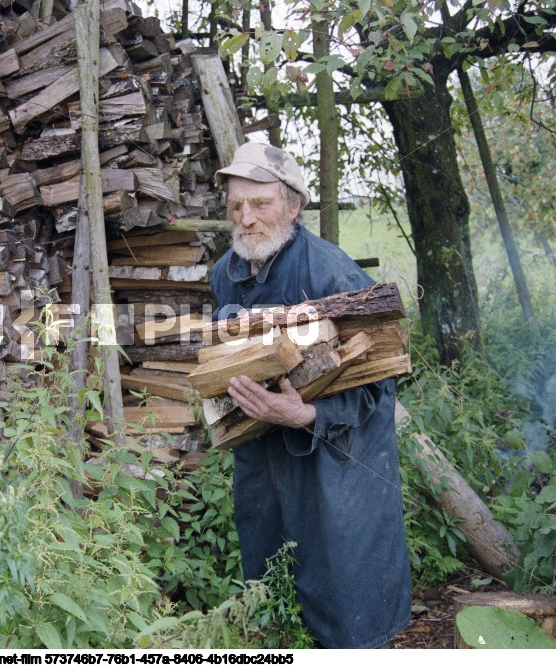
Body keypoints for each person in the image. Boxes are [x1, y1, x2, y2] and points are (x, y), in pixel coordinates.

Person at [210, 142, 411, 649]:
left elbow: (379, 383)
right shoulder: (225, 274)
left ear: (294, 205)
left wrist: (307, 412)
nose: (246, 218)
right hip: (263, 464)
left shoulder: (332, 276)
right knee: (272, 597)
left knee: (344, 605)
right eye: (236, 206)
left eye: (261, 204)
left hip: (336, 471)